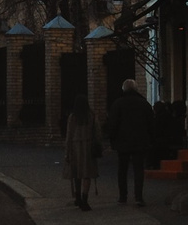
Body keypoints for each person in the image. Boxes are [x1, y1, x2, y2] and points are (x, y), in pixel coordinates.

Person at [104, 77, 157, 208]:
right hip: (140, 142)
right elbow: (151, 123)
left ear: (124, 89)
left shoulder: (118, 104)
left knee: (122, 170)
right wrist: (151, 139)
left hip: (122, 143)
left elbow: (112, 124)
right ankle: (139, 197)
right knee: (138, 170)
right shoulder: (144, 104)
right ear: (136, 89)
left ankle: (123, 197)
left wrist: (111, 140)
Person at [63, 105, 100, 212]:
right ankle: (85, 199)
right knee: (87, 174)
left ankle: (77, 197)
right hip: (88, 147)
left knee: (77, 173)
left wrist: (67, 152)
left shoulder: (73, 117)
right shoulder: (91, 116)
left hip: (75, 148)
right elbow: (97, 132)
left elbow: (69, 135)